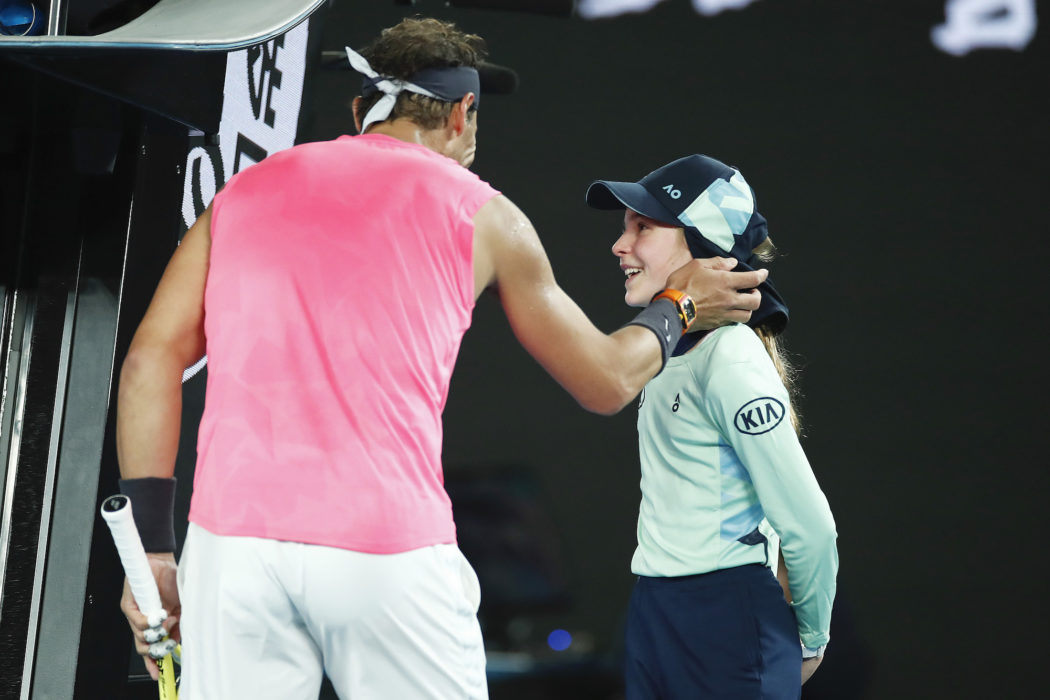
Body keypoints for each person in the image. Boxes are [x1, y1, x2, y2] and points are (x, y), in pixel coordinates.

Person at [115, 19, 771, 700]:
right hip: (386, 554)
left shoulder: (243, 194)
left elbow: (148, 364)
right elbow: (605, 380)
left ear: (359, 112)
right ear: (462, 114)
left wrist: (154, 555)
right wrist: (681, 305)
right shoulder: (485, 214)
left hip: (234, 554)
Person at [585, 154, 838, 699]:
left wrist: (811, 642)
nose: (619, 245)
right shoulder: (664, 348)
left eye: (643, 227)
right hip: (656, 611)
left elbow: (810, 527)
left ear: (701, 244)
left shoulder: (732, 359)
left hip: (728, 618)